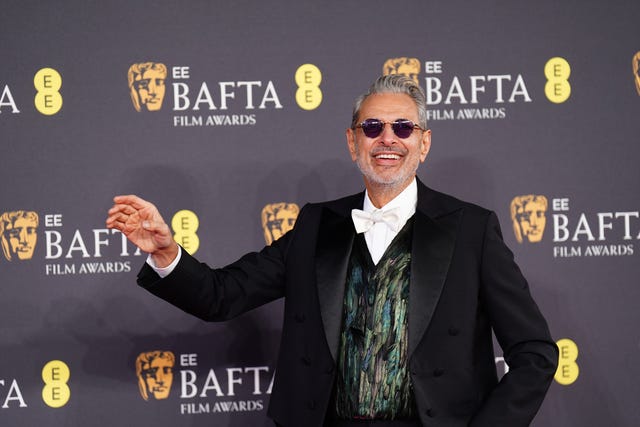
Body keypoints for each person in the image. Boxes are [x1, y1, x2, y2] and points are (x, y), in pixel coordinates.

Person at [107, 75, 558, 427]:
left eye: (403, 127)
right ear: (352, 141)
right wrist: (166, 252)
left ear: (424, 143)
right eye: (372, 127)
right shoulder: (314, 226)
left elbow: (536, 352)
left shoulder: (472, 229)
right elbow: (222, 295)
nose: (387, 139)